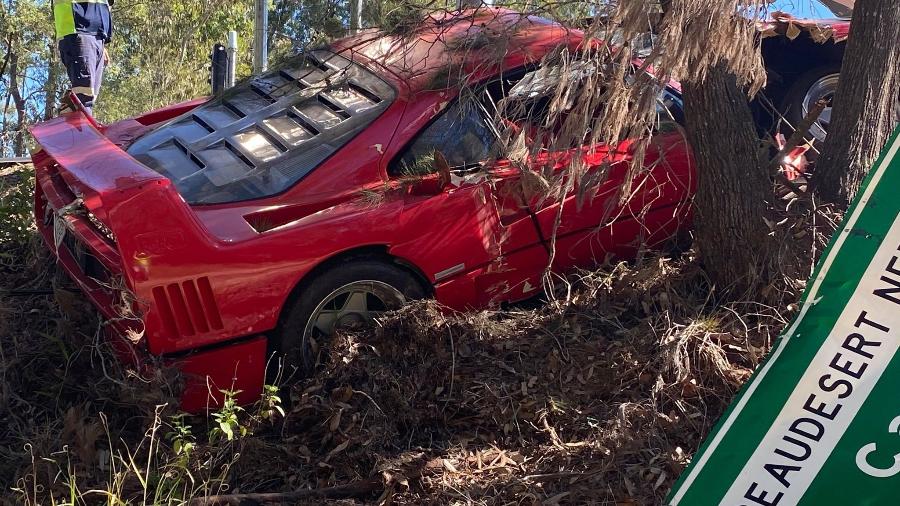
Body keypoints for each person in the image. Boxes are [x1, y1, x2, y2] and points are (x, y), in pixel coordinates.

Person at [53, 0, 114, 115]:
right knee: (83, 93)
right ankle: (78, 129)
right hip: (77, 28)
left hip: (98, 36)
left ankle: (69, 115)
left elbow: (106, 5)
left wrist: (103, 44)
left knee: (90, 94)